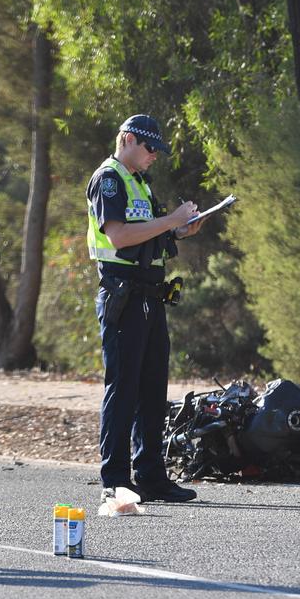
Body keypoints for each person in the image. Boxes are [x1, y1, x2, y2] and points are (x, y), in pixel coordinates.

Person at [86, 114, 204, 503]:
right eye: (150, 147)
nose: (155, 156)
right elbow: (118, 235)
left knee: (153, 389)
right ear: (128, 139)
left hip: (151, 296)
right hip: (124, 297)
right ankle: (116, 479)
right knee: (124, 388)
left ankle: (151, 475)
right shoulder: (109, 179)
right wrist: (169, 219)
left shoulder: (139, 182)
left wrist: (179, 229)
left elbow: (150, 230)